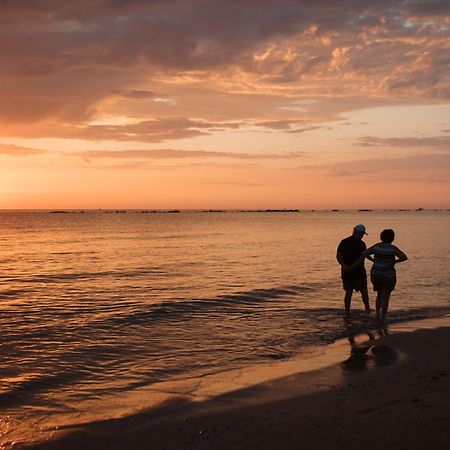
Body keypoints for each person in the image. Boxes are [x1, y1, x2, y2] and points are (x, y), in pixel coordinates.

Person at [353, 229, 408, 320]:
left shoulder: (376, 246)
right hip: (388, 275)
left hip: (376, 274)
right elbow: (404, 257)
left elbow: (364, 253)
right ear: (392, 238)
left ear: (381, 237)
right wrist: (395, 261)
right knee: (386, 296)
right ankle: (383, 317)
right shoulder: (393, 248)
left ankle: (377, 313)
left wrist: (373, 260)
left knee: (379, 294)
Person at [336, 224, 371, 315]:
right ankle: (367, 310)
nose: (362, 236)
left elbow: (338, 256)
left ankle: (347, 312)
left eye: (362, 234)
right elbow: (362, 258)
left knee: (348, 293)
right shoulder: (361, 244)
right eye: (361, 234)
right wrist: (350, 266)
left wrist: (344, 265)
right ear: (356, 232)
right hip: (358, 272)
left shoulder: (344, 241)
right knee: (364, 292)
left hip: (346, 272)